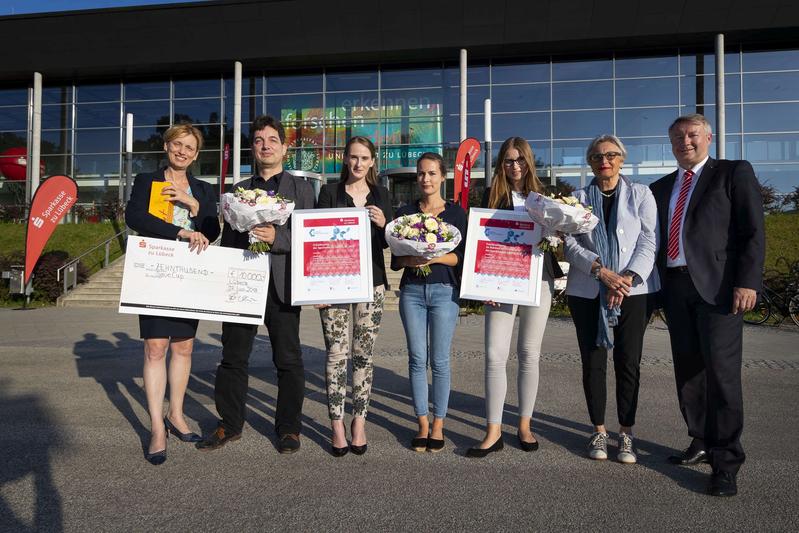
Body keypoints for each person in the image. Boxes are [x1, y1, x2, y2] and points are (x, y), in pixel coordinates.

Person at [651, 114, 764, 496]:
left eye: (692, 134)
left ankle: (727, 460)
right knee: (688, 372)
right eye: (678, 137)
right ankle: (699, 439)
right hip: (676, 289)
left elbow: (752, 232)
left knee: (722, 377)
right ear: (671, 145)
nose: (685, 141)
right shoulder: (661, 187)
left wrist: (747, 281)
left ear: (708, 138)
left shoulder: (733, 173)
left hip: (719, 291)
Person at [197, 115, 315, 454]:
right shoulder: (237, 192)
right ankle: (229, 424)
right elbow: (230, 242)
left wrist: (278, 236)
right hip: (242, 283)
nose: (266, 145)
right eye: (260, 140)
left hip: (282, 284)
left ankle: (289, 429)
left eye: (272, 140)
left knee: (289, 360)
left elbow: (310, 239)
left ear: (284, 147)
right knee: (233, 357)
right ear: (254, 147)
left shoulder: (302, 189)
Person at [124, 123, 220, 465]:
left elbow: (213, 230)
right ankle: (156, 427)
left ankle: (176, 415)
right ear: (166, 146)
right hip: (153, 271)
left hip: (189, 275)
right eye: (177, 144)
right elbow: (135, 217)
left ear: (196, 154)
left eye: (190, 147)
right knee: (155, 347)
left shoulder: (204, 190)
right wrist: (180, 230)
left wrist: (192, 205)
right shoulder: (147, 181)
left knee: (183, 346)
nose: (182, 151)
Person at [563, 134, 659, 464]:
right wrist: (601, 273)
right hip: (588, 289)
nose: (605, 160)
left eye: (612, 155)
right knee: (593, 362)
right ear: (590, 162)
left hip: (633, 292)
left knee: (628, 362)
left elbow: (649, 241)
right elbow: (571, 244)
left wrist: (627, 278)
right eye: (597, 156)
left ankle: (626, 433)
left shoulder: (641, 195)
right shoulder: (576, 198)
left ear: (622, 160)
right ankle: (599, 430)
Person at [466, 137, 563, 458]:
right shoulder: (490, 196)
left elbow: (559, 240)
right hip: (501, 281)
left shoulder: (545, 195)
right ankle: (493, 430)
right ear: (500, 164)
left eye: (520, 159)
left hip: (539, 278)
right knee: (495, 354)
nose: (514, 165)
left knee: (529, 353)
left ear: (529, 161)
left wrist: (555, 233)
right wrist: (484, 284)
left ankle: (524, 424)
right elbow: (480, 243)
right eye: (508, 160)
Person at [315, 136, 393, 456]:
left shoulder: (382, 195)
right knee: (336, 354)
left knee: (363, 355)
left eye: (364, 158)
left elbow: (391, 242)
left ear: (372, 161)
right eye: (353, 157)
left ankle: (358, 422)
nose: (358, 163)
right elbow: (316, 238)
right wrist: (316, 287)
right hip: (334, 283)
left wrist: (384, 223)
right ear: (345, 159)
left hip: (371, 283)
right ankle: (336, 424)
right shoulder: (329, 192)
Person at [391, 152, 466, 453]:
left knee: (440, 360)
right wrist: (415, 256)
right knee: (416, 359)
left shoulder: (456, 214)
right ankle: (421, 422)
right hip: (411, 293)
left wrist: (431, 255)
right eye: (422, 174)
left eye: (432, 173)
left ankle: (439, 422)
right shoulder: (406, 213)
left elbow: (459, 257)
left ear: (442, 177)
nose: (426, 179)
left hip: (444, 292)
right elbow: (398, 259)